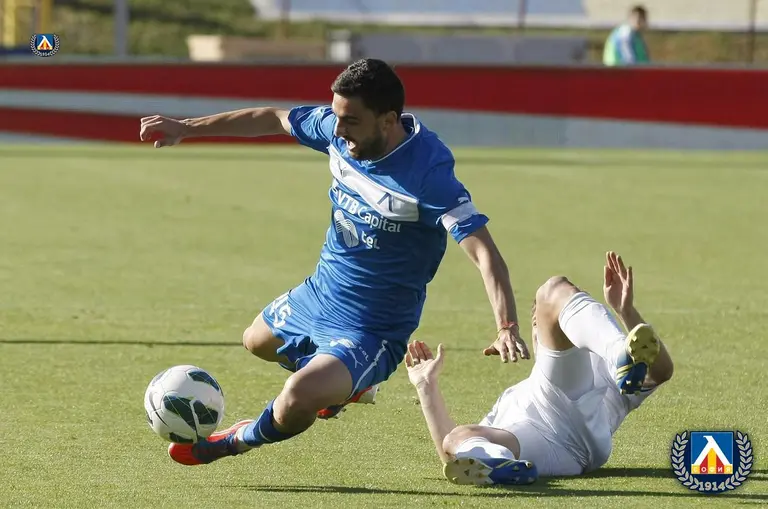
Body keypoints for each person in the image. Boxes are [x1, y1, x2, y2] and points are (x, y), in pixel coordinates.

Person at [138, 58, 530, 466]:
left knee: (298, 394)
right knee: (255, 341)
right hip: (320, 294)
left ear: (388, 120)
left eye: (351, 121)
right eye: (336, 116)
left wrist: (506, 327)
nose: (338, 131)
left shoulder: (428, 176)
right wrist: (186, 128)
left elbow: (485, 253)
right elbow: (273, 118)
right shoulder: (339, 130)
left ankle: (235, 441)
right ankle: (347, 385)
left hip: (372, 330)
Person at [405, 251, 674, 485]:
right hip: (554, 453)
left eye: (544, 321)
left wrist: (626, 312)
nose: (541, 329)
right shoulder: (511, 397)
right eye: (538, 323)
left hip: (572, 417)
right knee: (459, 437)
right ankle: (501, 466)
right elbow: (456, 459)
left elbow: (660, 372)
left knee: (553, 289)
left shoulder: (597, 364)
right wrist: (426, 386)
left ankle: (618, 349)